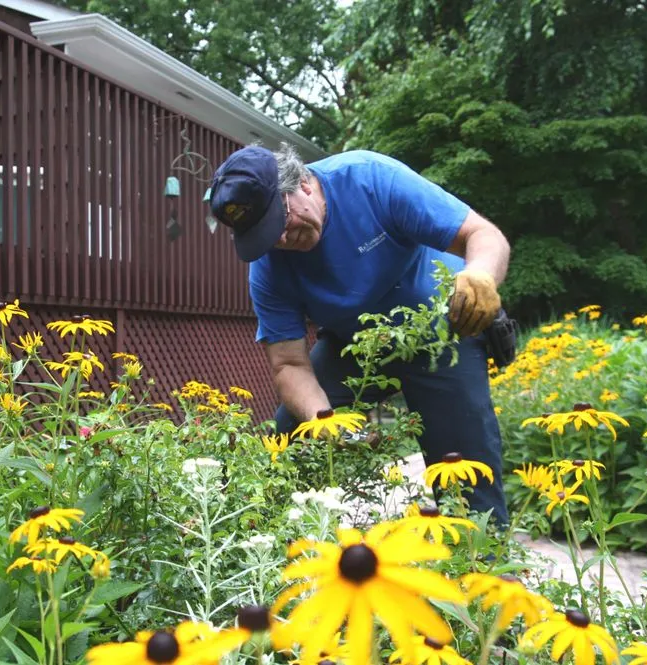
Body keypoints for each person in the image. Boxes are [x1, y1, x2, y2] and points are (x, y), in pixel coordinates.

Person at [207, 143, 511, 525]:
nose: (281, 240)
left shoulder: (370, 179)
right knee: (290, 431)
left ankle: (489, 568)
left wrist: (480, 275)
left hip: (440, 329)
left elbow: (483, 235)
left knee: (464, 463)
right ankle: (288, 541)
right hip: (355, 344)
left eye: (279, 221)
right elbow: (288, 364)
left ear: (302, 183)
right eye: (266, 235)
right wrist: (325, 422)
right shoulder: (269, 265)